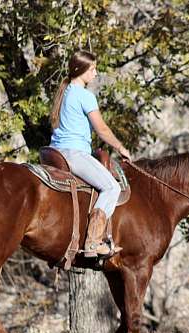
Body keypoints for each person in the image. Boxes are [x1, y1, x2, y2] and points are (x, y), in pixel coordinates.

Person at [49, 50, 131, 257]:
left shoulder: (65, 92)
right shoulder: (85, 96)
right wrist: (121, 148)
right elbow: (102, 129)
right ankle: (93, 243)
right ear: (81, 70)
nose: (95, 73)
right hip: (74, 153)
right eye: (92, 69)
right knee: (112, 187)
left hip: (55, 152)